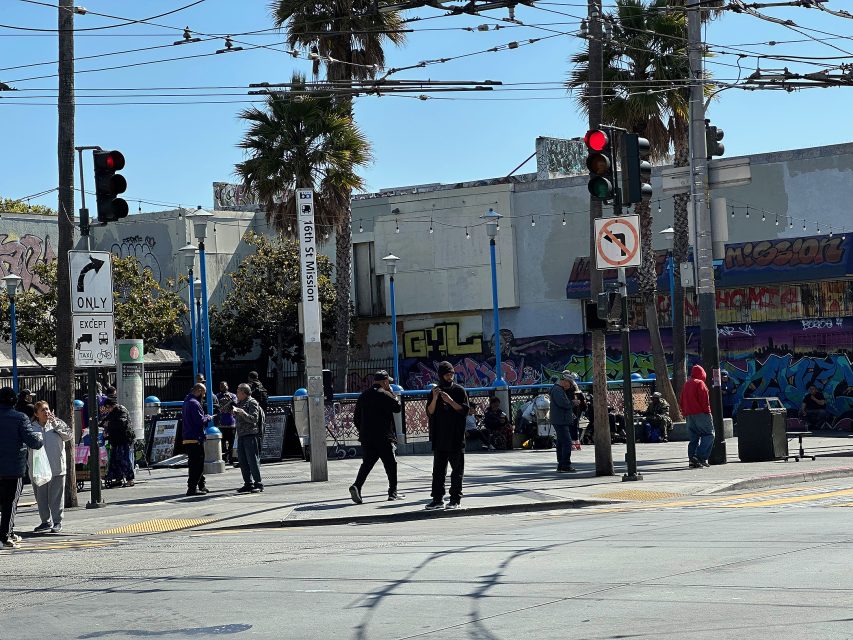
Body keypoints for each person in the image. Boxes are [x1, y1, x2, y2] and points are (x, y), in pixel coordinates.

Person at [349, 370, 403, 504]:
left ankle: (357, 485)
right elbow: (397, 408)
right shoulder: (385, 394)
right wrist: (392, 392)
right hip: (384, 437)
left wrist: (364, 431)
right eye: (388, 382)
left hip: (367, 438)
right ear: (385, 381)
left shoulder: (363, 396)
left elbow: (356, 418)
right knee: (390, 464)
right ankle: (392, 492)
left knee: (367, 464)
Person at [0, 386, 43, 549]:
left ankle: (6, 533)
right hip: (13, 468)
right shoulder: (19, 418)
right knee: (10, 502)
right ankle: (5, 535)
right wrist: (39, 440)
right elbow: (32, 441)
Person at [425, 361, 469, 510]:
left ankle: (455, 499)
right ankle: (437, 499)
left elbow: (464, 410)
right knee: (438, 471)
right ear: (441, 375)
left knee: (457, 471)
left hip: (456, 437)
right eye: (447, 374)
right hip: (440, 437)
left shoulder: (459, 390)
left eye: (451, 374)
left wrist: (449, 401)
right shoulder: (434, 391)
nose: (450, 377)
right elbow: (430, 412)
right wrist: (436, 398)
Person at [30, 401, 73, 533]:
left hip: (56, 466)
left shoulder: (57, 423)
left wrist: (55, 424)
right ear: (36, 414)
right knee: (41, 497)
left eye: (47, 409)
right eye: (42, 410)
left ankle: (57, 521)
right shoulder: (31, 427)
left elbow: (68, 436)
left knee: (56, 496)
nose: (46, 412)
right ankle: (45, 521)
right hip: (38, 469)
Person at [232, 383, 264, 493]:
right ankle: (248, 483)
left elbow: (254, 419)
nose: (237, 394)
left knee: (252, 460)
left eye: (238, 392)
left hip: (250, 435)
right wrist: (235, 413)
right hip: (241, 435)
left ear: (244, 393)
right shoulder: (240, 403)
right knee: (242, 460)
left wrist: (243, 413)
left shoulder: (252, 402)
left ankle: (258, 483)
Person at [680, 364, 714, 468]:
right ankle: (700, 457)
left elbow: (681, 400)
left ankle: (692, 459)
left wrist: (684, 412)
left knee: (693, 437)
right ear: (702, 374)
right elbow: (704, 400)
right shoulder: (700, 383)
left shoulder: (686, 384)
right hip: (701, 413)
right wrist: (707, 412)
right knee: (709, 435)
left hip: (689, 415)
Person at [182, 383, 212, 496]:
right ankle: (192, 488)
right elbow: (199, 420)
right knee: (197, 465)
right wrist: (208, 418)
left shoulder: (186, 401)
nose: (203, 396)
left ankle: (200, 485)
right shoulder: (194, 403)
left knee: (194, 463)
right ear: (199, 390)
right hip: (195, 437)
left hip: (188, 437)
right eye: (203, 393)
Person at [549, 371, 581, 473]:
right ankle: (565, 464)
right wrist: (573, 402)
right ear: (564, 381)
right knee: (567, 442)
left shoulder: (558, 389)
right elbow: (563, 403)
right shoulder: (558, 390)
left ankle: (561, 464)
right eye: (570, 383)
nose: (570, 385)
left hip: (560, 419)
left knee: (561, 442)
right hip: (560, 419)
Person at [100, 397, 135, 488]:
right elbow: (105, 421)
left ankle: (130, 479)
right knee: (114, 460)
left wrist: (109, 424)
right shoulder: (111, 413)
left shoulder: (121, 410)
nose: (107, 409)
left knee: (123, 459)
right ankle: (117, 478)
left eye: (108, 407)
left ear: (112, 405)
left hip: (124, 439)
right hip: (115, 439)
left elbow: (121, 423)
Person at [217, 381, 237, 464]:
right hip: (221, 424)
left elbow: (236, 405)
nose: (223, 388)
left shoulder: (233, 395)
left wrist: (230, 400)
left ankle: (231, 457)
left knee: (231, 442)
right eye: (221, 386)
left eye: (224, 386)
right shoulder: (217, 396)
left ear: (227, 386)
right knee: (222, 443)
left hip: (231, 423)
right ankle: (224, 458)